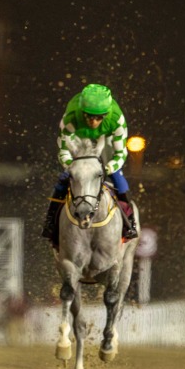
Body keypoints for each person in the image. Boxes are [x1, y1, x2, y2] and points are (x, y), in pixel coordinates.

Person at [41, 83, 136, 247]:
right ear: (82, 112)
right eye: (89, 116)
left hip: (105, 143)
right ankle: (50, 223)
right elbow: (63, 151)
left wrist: (108, 168)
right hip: (79, 147)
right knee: (63, 180)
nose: (94, 121)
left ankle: (130, 223)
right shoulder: (70, 118)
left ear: (107, 115)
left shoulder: (116, 120)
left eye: (100, 117)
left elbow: (120, 153)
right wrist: (73, 167)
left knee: (119, 180)